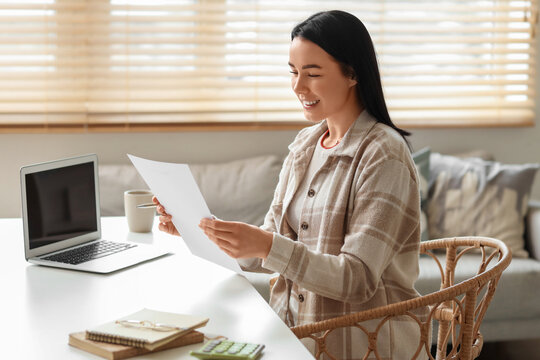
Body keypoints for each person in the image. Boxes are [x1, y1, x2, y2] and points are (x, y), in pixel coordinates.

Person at [155, 10, 427, 359]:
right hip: (294, 336)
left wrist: (268, 246)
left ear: (353, 74)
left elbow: (356, 280)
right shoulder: (305, 145)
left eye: (313, 74)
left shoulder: (383, 155)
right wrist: (198, 228)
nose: (298, 87)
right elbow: (263, 253)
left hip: (361, 345)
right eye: (294, 72)